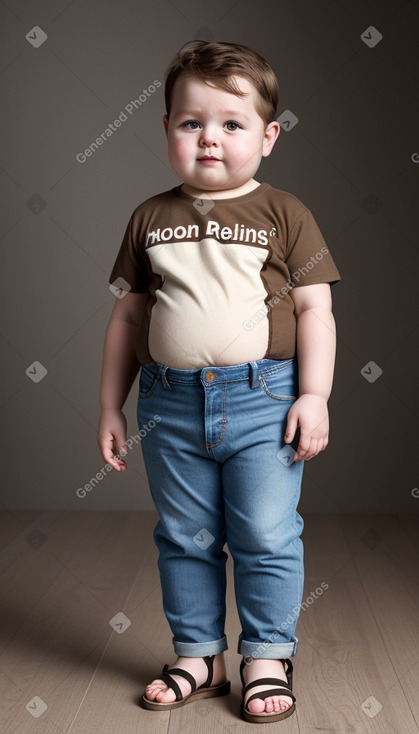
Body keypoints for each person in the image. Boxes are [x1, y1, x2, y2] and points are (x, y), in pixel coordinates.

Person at [97, 40, 341, 724]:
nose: (209, 139)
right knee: (184, 534)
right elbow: (129, 313)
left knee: (265, 532)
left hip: (263, 399)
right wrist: (109, 405)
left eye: (230, 124)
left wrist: (313, 395)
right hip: (169, 405)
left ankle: (265, 653)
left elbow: (314, 307)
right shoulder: (149, 218)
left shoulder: (283, 213)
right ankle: (199, 654)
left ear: (267, 136)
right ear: (168, 130)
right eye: (189, 122)